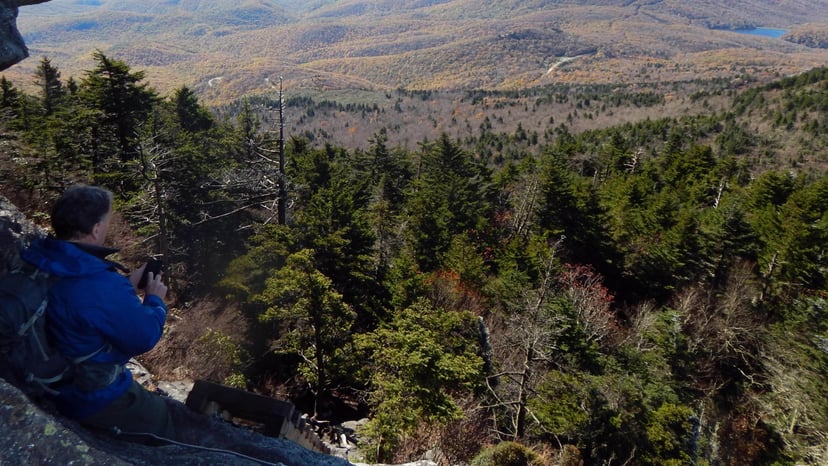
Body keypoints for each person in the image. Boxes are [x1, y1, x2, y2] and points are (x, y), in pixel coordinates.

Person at [21, 184, 175, 441]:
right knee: (162, 417)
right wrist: (154, 300)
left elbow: (73, 302)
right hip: (83, 393)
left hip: (38, 371)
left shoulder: (38, 254)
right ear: (95, 229)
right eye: (106, 221)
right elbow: (143, 336)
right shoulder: (97, 281)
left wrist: (124, 287)